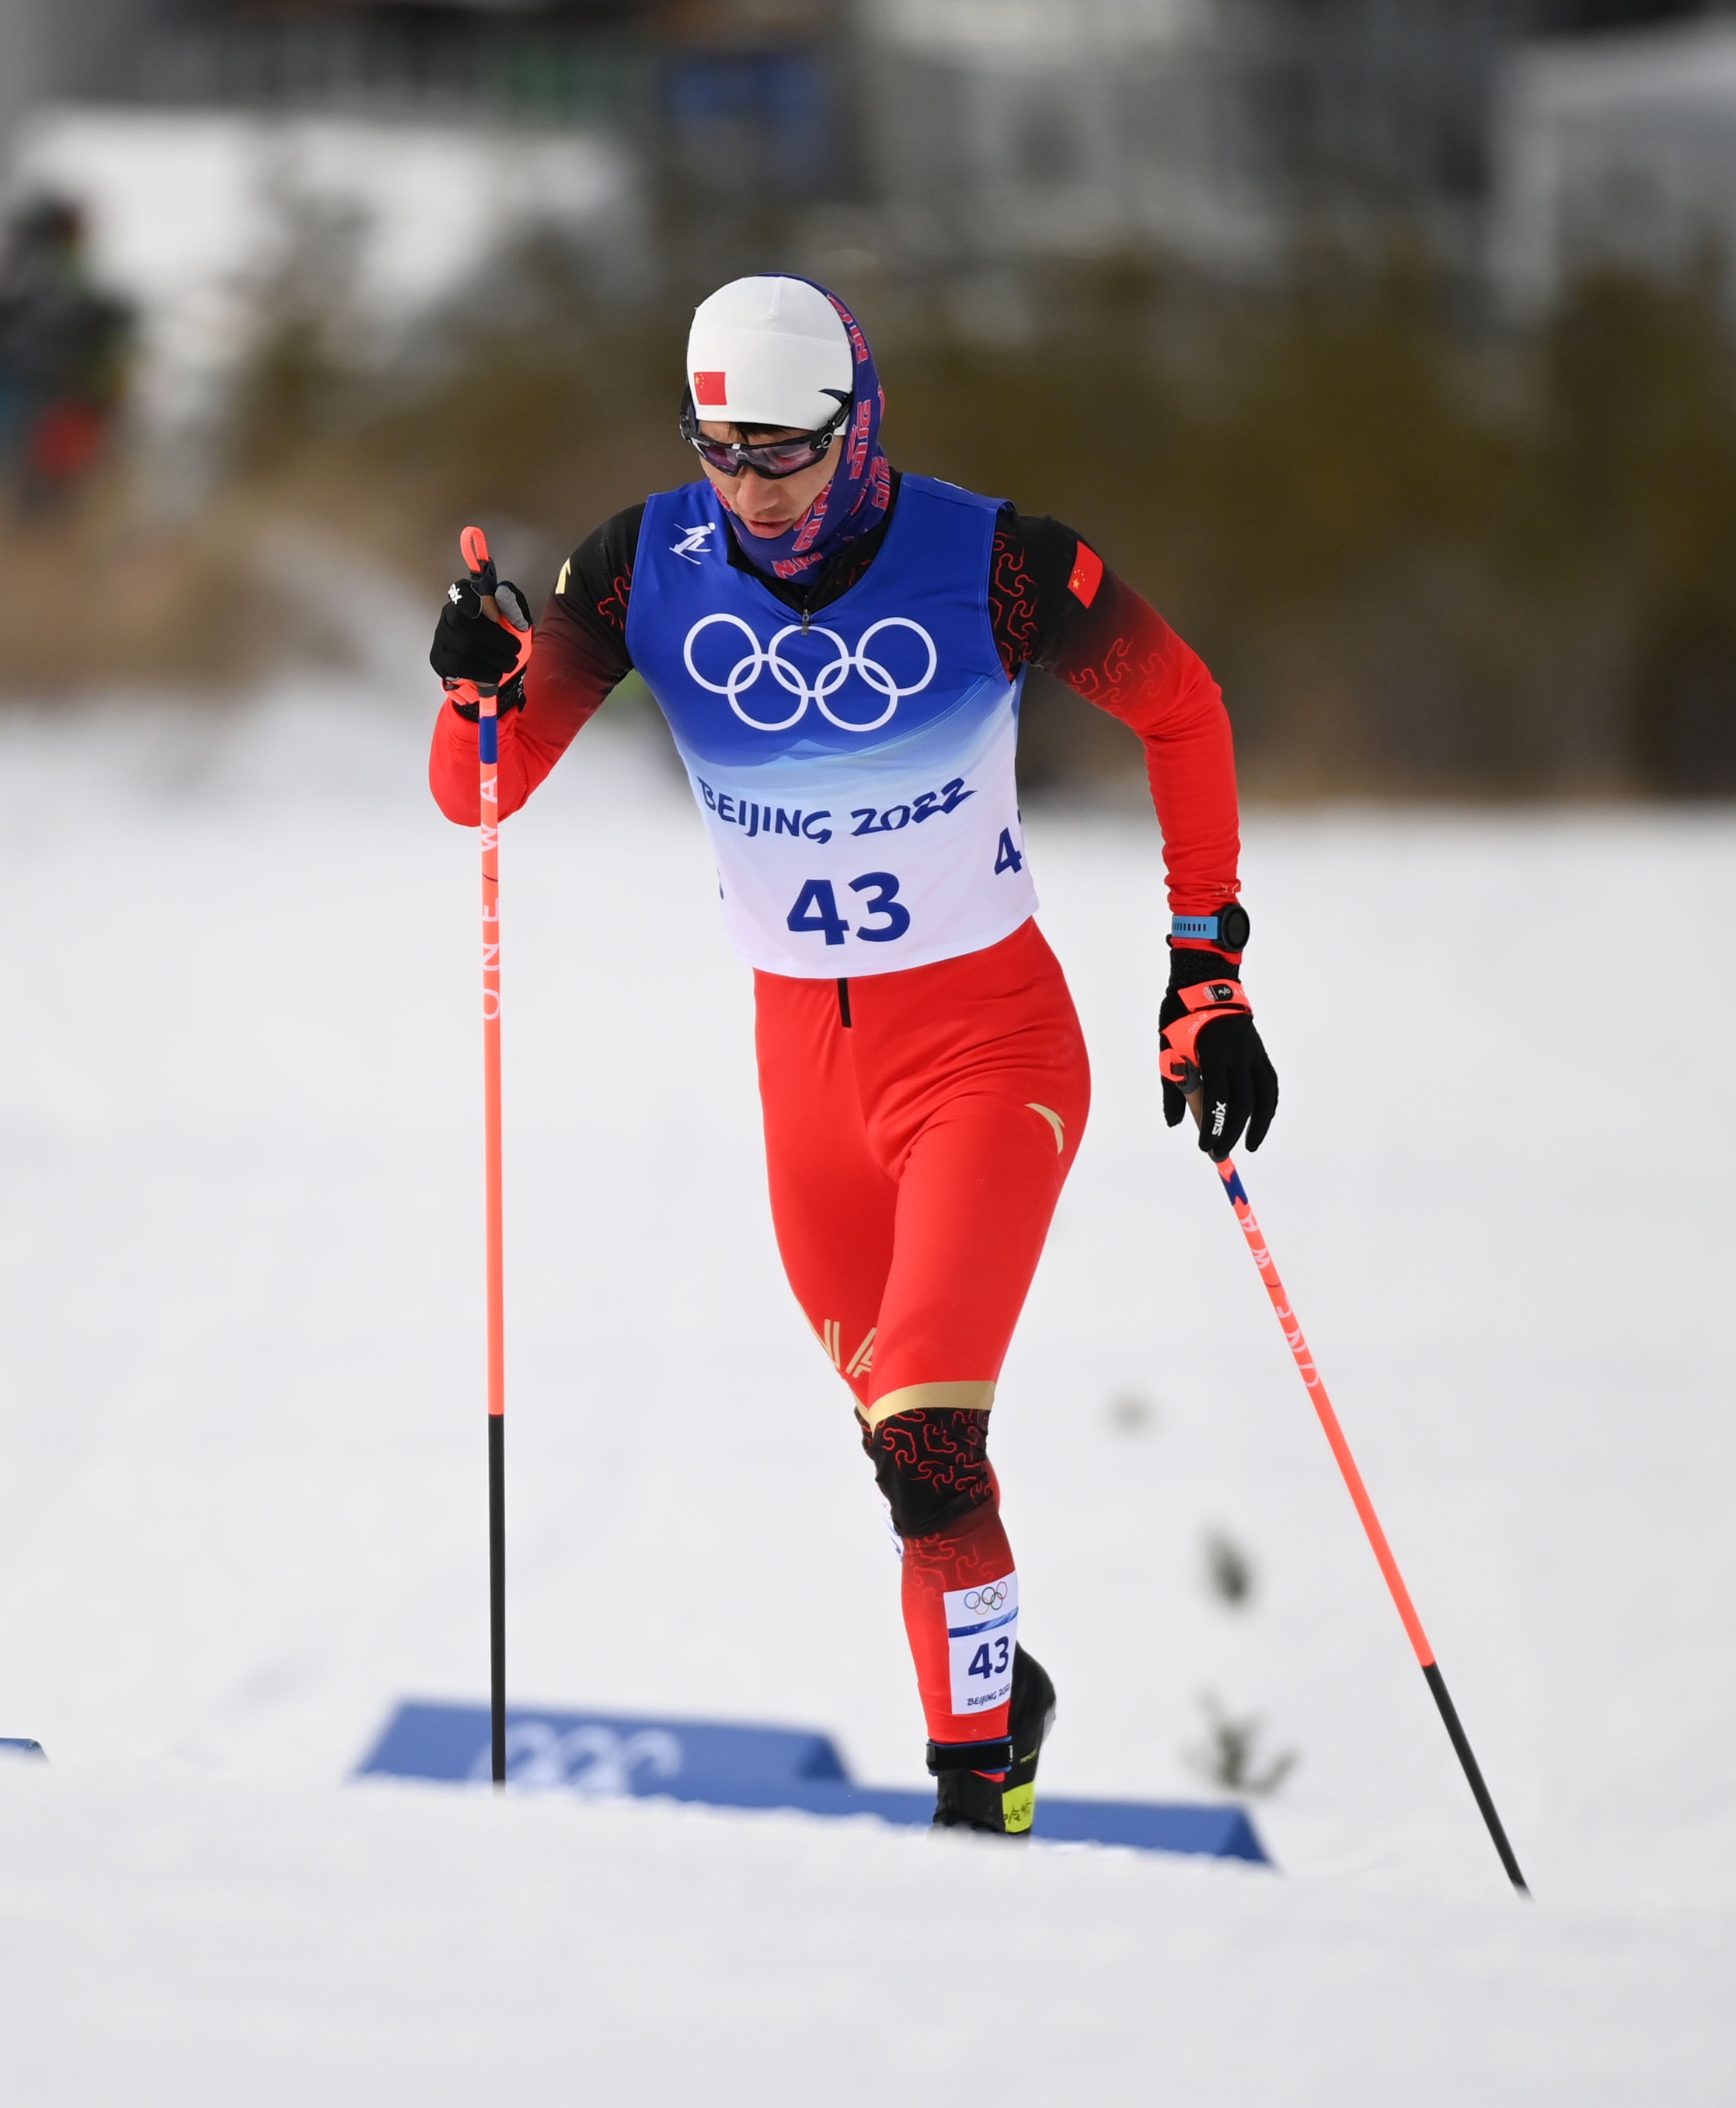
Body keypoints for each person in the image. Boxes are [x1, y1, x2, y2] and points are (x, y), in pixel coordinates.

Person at [424, 274, 1278, 1836]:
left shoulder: (994, 563)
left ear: (857, 424)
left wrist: (1203, 971)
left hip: (983, 1049)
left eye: (784, 453)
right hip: (801, 1081)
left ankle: (972, 1808)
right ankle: (994, 1698)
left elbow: (1183, 711)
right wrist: (475, 687)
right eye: (720, 454)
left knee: (927, 1436)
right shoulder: (635, 571)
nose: (752, 490)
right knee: (917, 1482)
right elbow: (478, 792)